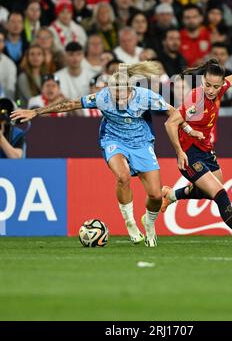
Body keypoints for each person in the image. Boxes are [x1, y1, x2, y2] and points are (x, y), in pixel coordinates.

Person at [10, 61, 203, 247]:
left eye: (122, 94)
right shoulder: (102, 97)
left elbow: (173, 113)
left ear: (131, 90)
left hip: (141, 143)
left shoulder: (146, 97)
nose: (117, 98)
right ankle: (130, 223)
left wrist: (188, 130)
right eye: (114, 93)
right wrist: (36, 112)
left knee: (154, 195)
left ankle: (149, 223)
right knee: (123, 176)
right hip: (114, 140)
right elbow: (69, 104)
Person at [162, 53, 232, 247]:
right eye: (207, 85)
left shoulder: (219, 88)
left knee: (207, 192)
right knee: (220, 193)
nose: (211, 90)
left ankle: (171, 195)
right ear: (202, 80)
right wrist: (180, 152)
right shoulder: (195, 99)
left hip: (206, 150)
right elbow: (170, 124)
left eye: (216, 86)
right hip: (189, 154)